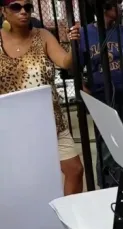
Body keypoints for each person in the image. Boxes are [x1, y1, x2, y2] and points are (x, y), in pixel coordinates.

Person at [0, 0, 84, 195]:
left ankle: (66, 217)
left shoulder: (43, 36)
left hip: (51, 121)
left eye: (28, 7)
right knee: (27, 181)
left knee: (75, 170)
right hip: (12, 127)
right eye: (16, 7)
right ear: (4, 11)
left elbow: (65, 62)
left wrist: (74, 45)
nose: (23, 12)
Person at [79, 0, 123, 188]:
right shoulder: (86, 34)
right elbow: (76, 67)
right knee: (107, 148)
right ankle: (107, 187)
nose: (120, 8)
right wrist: (86, 90)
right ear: (105, 8)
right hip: (103, 96)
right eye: (116, 5)